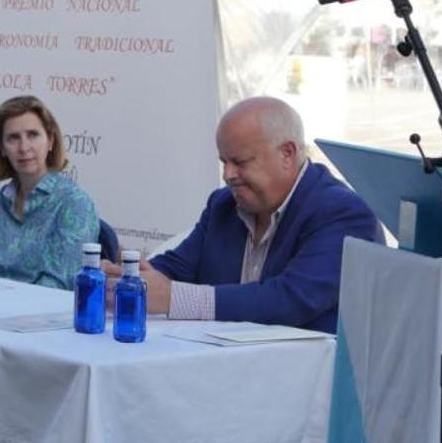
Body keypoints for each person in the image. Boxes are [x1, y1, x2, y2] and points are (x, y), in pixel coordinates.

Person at [104, 97, 382, 333]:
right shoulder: (224, 205)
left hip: (314, 384)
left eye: (240, 162)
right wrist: (127, 276)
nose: (228, 175)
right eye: (224, 162)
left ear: (287, 153)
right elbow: (179, 267)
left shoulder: (344, 213)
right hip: (227, 370)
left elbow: (292, 299)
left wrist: (173, 299)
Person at [0, 95, 99, 289]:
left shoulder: (74, 203)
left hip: (42, 314)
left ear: (50, 141)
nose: (24, 148)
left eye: (33, 135)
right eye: (13, 138)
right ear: (1, 148)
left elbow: (59, 284)